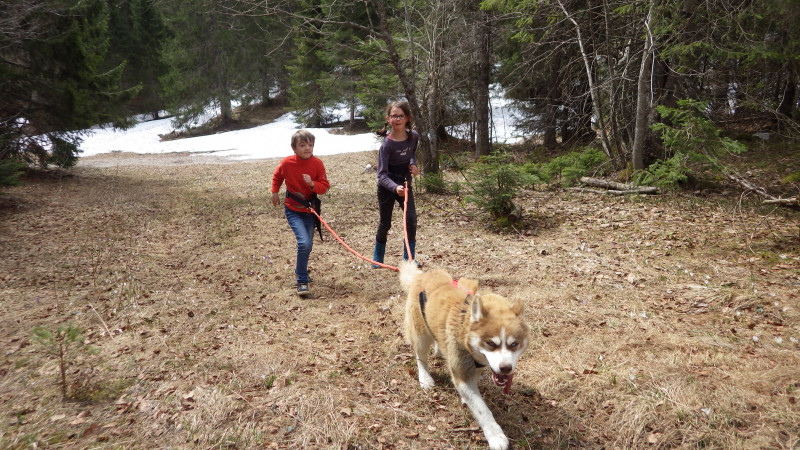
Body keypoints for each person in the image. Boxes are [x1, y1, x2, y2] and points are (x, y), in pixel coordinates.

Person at [271, 130, 330, 296]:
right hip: (293, 210)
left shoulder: (317, 164)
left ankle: (300, 270)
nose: (307, 148)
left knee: (308, 245)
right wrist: (274, 192)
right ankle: (302, 280)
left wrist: (312, 184)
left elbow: (324, 186)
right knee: (304, 243)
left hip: (310, 211)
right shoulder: (287, 163)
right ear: (294, 148)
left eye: (310, 145)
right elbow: (278, 176)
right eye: (302, 145)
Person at [372, 101, 420, 268]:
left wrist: (412, 164)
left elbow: (412, 152)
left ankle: (409, 259)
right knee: (385, 222)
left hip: (405, 183)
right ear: (388, 119)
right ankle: (377, 258)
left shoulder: (414, 136)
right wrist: (394, 187)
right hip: (387, 187)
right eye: (394, 116)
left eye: (401, 116)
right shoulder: (387, 145)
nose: (397, 119)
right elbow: (381, 175)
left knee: (411, 219)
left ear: (407, 118)